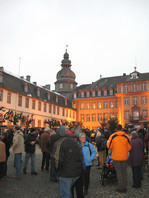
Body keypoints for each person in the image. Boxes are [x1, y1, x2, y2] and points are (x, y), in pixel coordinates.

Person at [54, 126, 82, 198]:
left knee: (65, 194)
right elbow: (80, 156)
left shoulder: (61, 143)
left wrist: (57, 171)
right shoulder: (74, 142)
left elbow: (59, 160)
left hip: (65, 173)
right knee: (69, 191)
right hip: (76, 172)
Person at [107, 124, 131, 193]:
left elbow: (109, 146)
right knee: (124, 172)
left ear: (116, 129)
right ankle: (125, 186)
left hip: (116, 157)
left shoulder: (112, 136)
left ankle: (121, 187)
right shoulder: (126, 136)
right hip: (124, 156)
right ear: (122, 129)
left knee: (119, 172)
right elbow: (129, 147)